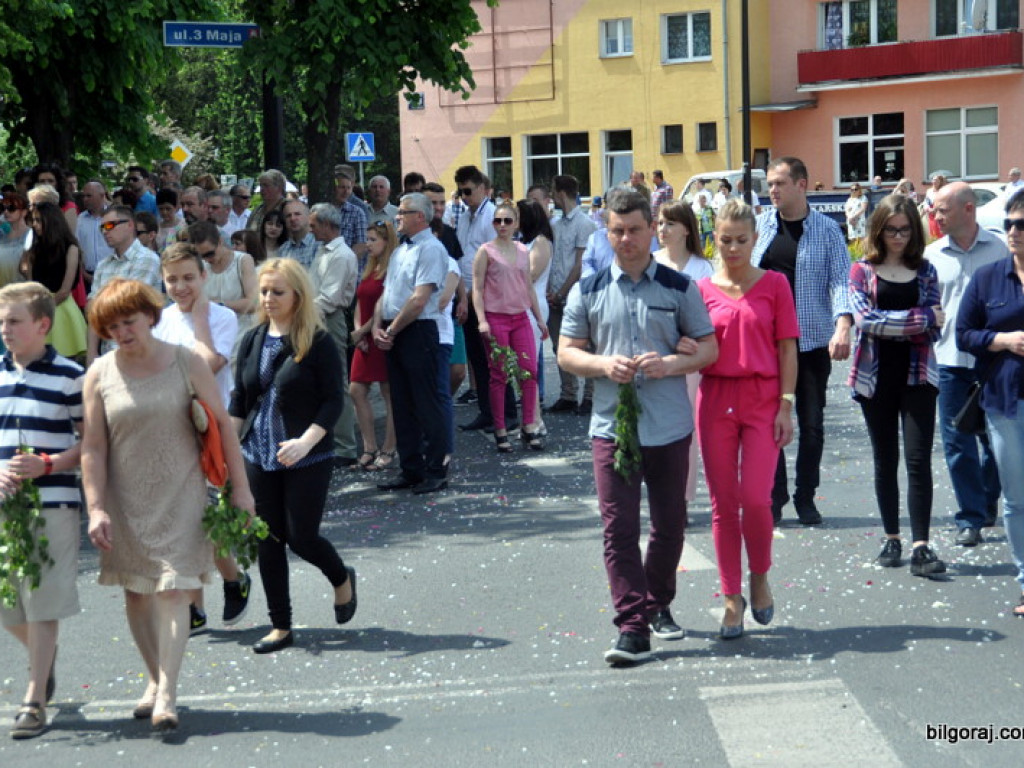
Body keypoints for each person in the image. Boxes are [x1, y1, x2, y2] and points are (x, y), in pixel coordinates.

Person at [82, 278, 254, 732]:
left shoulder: (186, 361)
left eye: (129, 321)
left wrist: (242, 490)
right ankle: (155, 678)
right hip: (124, 498)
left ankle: (168, 694)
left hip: (181, 492)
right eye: (112, 325)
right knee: (137, 592)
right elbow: (92, 448)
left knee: (175, 589)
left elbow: (222, 425)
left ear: (150, 317)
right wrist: (96, 508)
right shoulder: (99, 373)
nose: (122, 332)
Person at [558, 190, 717, 665]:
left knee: (670, 525)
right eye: (617, 231)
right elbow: (566, 352)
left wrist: (669, 364)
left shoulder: (678, 287)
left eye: (634, 229)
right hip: (612, 428)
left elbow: (709, 349)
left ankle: (657, 602)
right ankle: (631, 626)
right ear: (607, 233)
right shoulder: (587, 289)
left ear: (653, 230)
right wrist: (605, 365)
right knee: (619, 528)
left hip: (669, 425)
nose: (626, 239)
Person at [230, 259, 354, 654]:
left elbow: (335, 400)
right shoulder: (251, 340)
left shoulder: (316, 341)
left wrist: (306, 440)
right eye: (264, 291)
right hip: (258, 452)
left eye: (277, 292)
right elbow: (240, 399)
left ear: (297, 295)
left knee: (301, 537)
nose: (268, 299)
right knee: (267, 540)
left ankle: (341, 578)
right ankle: (280, 626)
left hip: (307, 456)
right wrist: (228, 455)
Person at [696, 200, 797, 639]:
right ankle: (731, 596)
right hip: (716, 398)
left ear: (755, 239)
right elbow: (695, 344)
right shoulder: (701, 290)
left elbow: (788, 348)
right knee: (723, 503)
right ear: (714, 238)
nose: (733, 248)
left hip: (763, 398)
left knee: (756, 498)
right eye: (725, 239)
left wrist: (786, 404)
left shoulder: (774, 284)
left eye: (741, 240)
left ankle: (759, 574)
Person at [152, 243, 251, 632]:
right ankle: (194, 603)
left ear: (204, 277)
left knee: (204, 519)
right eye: (172, 279)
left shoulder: (223, 317)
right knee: (181, 520)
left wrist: (201, 317)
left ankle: (232, 578)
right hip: (169, 427)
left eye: (189, 278)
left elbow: (209, 364)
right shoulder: (160, 320)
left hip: (211, 429)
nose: (181, 286)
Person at [0, 283, 84, 739]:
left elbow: (92, 444)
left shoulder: (71, 376)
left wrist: (49, 463)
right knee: (8, 606)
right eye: (2, 321)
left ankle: (34, 699)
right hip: (2, 506)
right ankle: (43, 660)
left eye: (13, 321)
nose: (4, 330)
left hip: (52, 503)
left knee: (41, 602)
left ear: (42, 325)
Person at [849, 195, 946, 575]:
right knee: (885, 458)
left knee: (918, 460)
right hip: (875, 376)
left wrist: (903, 320)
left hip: (919, 374)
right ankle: (892, 538)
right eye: (891, 230)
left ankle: (921, 544)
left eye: (906, 230)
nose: (899, 237)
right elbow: (866, 321)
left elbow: (937, 322)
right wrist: (918, 317)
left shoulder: (926, 270)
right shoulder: (862, 269)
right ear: (879, 229)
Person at [753, 156, 852, 526]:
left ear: (801, 185)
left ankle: (805, 496)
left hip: (811, 343)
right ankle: (775, 496)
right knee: (769, 424)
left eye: (779, 183)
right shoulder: (760, 226)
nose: (772, 190)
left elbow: (842, 281)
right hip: (767, 344)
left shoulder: (827, 230)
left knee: (811, 425)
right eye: (769, 184)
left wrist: (843, 325)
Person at [927, 182, 1008, 546]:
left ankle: (988, 500)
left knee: (996, 439)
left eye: (943, 209)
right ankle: (970, 518)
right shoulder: (931, 256)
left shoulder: (1001, 249)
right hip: (949, 360)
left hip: (995, 358)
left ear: (969, 209)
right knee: (958, 440)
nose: (936, 216)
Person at [957, 190, 1024, 616]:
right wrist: (1001, 340)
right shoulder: (988, 278)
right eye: (1011, 223)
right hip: (1004, 403)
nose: (1015, 232)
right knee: (1017, 499)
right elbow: (964, 334)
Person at [373, 193, 451, 494]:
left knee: (427, 403)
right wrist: (379, 326)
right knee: (402, 403)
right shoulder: (398, 251)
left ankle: (436, 470)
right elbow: (388, 292)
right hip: (397, 329)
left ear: (421, 216)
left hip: (418, 330)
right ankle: (411, 468)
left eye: (403, 212)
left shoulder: (431, 249)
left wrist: (390, 330)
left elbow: (419, 299)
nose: (398, 217)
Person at [471, 202, 548, 452]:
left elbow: (528, 287)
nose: (502, 225)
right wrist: (481, 319)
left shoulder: (522, 249)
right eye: (497, 221)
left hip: (520, 317)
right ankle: (501, 429)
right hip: (496, 318)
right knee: (499, 374)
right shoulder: (485, 250)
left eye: (507, 221)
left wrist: (538, 318)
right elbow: (477, 287)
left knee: (529, 371)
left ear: (516, 223)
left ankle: (528, 426)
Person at [654, 201, 714, 502]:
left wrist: (690, 338)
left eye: (670, 223)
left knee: (686, 430)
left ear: (686, 229)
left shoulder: (703, 269)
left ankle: (683, 498)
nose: (662, 229)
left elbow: (708, 316)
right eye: (660, 223)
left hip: (690, 359)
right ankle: (661, 495)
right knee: (656, 428)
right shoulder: (651, 263)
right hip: (655, 357)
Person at [307, 203, 359, 468]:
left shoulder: (340, 255)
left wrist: (300, 311)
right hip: (319, 317)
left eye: (314, 224)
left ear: (327, 225)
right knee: (322, 381)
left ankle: (346, 445)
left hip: (330, 319)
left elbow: (330, 298)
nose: (310, 228)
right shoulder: (324, 250)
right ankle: (330, 440)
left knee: (337, 381)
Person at [547, 174, 598, 415]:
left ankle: (589, 396)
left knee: (586, 345)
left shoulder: (585, 223)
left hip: (575, 294)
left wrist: (562, 291)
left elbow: (580, 263)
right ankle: (568, 393)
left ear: (561, 193)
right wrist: (550, 290)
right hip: (555, 293)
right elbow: (552, 259)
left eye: (554, 192)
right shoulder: (555, 224)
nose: (553, 197)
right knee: (559, 345)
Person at [350, 220, 398, 471]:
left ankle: (389, 448)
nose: (367, 244)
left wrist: (364, 330)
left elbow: (384, 304)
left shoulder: (392, 268)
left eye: (373, 240)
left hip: (381, 332)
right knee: (356, 390)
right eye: (367, 239)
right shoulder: (370, 267)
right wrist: (358, 332)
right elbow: (360, 300)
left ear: (386, 242)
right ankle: (369, 446)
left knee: (389, 393)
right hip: (364, 335)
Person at [18, 202, 87, 359]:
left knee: (65, 363)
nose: (34, 225)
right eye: (33, 220)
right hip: (38, 307)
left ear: (52, 221)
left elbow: (64, 290)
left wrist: (43, 310)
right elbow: (30, 284)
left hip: (61, 311)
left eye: (39, 220)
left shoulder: (71, 248)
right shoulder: (34, 248)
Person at [518, 198, 553, 435]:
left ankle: (535, 419)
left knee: (528, 364)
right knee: (522, 366)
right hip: (521, 304)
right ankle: (531, 418)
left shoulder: (541, 242)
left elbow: (529, 275)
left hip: (533, 305)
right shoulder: (524, 242)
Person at [0, 192, 31, 287]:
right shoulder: (1, 235)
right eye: (3, 208)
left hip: (22, 293)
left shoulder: (31, 235)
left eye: (11, 208)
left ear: (24, 212)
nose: (6, 212)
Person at [155, 188, 186, 253]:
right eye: (161, 209)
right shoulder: (156, 228)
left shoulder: (184, 225)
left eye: (168, 209)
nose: (164, 212)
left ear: (176, 207)